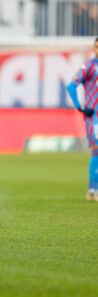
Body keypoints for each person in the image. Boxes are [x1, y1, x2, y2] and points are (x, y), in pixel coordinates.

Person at [66, 37, 98, 202]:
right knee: (97, 149)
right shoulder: (89, 66)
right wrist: (80, 106)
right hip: (94, 116)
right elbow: (71, 85)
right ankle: (93, 189)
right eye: (96, 47)